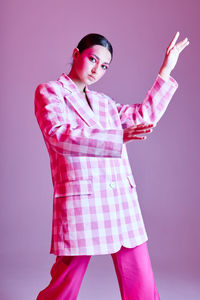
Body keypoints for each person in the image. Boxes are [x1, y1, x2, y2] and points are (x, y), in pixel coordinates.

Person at [34, 32, 189, 300]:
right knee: (66, 281)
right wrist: (116, 137)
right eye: (93, 59)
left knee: (141, 278)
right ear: (76, 54)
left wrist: (165, 70)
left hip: (120, 199)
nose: (97, 70)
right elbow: (58, 135)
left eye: (104, 66)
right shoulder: (50, 92)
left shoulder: (104, 103)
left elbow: (142, 117)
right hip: (82, 199)